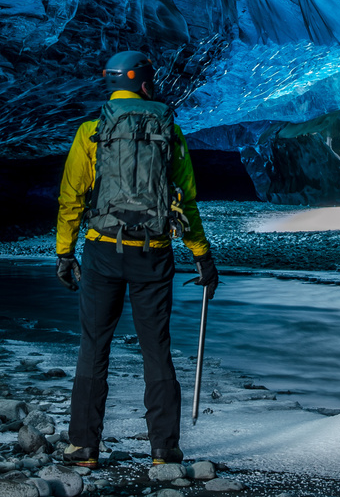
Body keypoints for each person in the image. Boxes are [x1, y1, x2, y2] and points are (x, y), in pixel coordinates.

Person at [54, 50, 219, 469]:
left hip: (102, 252)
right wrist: (202, 257)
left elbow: (71, 198)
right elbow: (187, 200)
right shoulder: (170, 130)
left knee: (94, 346)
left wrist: (63, 253)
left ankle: (84, 448)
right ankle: (164, 450)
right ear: (144, 82)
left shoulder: (92, 131)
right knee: (156, 350)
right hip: (154, 253)